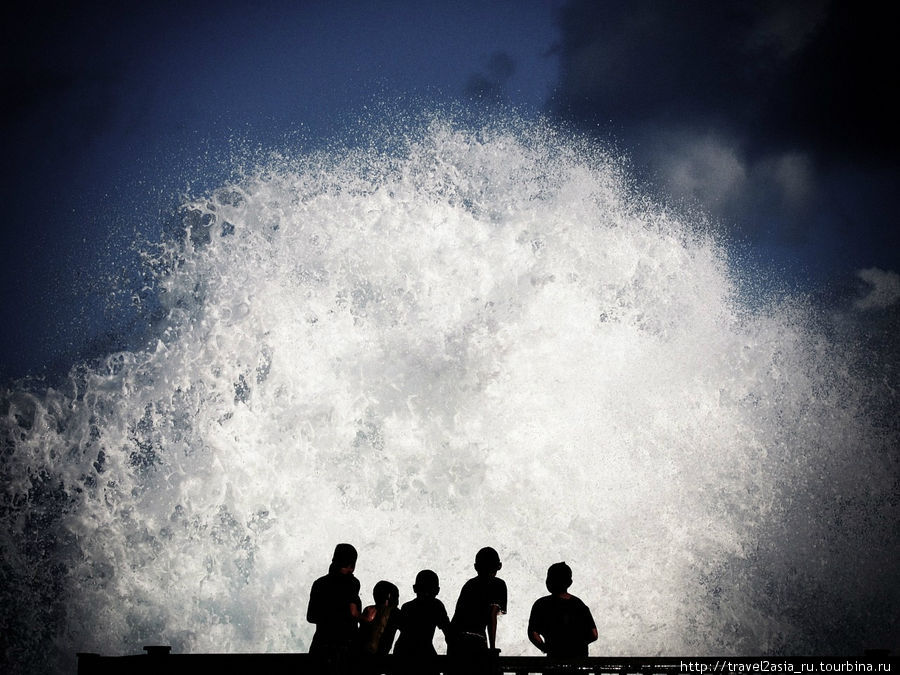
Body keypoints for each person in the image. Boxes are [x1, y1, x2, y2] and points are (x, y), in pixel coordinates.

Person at [306, 543, 363, 675]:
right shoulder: (352, 583)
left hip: (320, 647)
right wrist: (366, 617)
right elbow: (353, 613)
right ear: (352, 565)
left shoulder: (319, 583)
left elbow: (311, 617)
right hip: (345, 651)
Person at [448, 547, 507, 673]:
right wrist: (492, 648)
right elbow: (492, 616)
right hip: (476, 639)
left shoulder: (469, 584)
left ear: (476, 567)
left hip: (456, 640)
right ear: (499, 566)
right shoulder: (498, 584)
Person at [527, 562, 597, 660]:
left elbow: (533, 633)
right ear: (570, 582)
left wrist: (545, 648)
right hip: (579, 661)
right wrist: (576, 645)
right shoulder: (579, 604)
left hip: (554, 658)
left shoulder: (541, 604)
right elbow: (594, 634)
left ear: (548, 581)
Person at [393, 569, 451, 675]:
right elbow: (449, 633)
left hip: (403, 653)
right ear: (437, 591)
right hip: (423, 652)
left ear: (415, 589)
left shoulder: (407, 607)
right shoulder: (436, 606)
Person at [356, 579, 401, 671]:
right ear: (389, 599)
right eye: (396, 597)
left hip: (361, 656)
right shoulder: (395, 614)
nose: (398, 602)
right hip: (378, 659)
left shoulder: (368, 610)